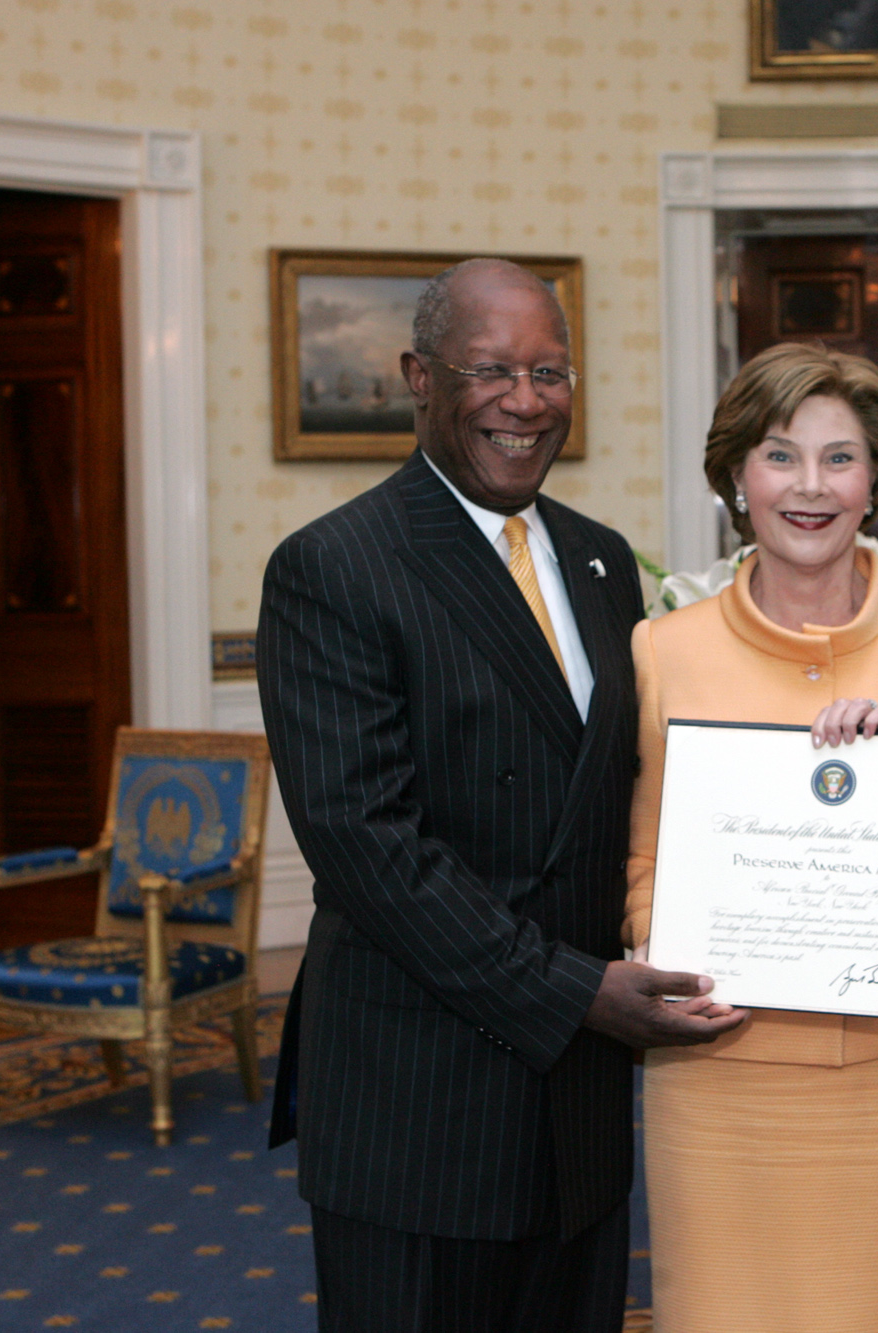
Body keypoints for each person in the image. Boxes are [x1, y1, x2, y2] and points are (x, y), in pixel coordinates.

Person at [258, 258, 744, 1333]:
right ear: (416, 377)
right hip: (419, 1102)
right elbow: (366, 846)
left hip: (574, 1111)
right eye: (489, 369)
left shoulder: (601, 561)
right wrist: (575, 992)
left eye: (549, 370)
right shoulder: (334, 566)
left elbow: (636, 787)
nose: (524, 401)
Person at [624, 342, 878, 1333]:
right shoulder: (663, 650)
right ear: (735, 475)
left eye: (840, 458)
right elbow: (644, 854)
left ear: (875, 476)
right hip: (717, 1075)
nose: (809, 486)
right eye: (779, 454)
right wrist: (662, 952)